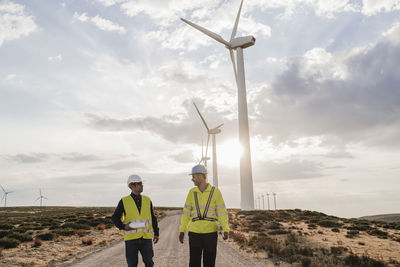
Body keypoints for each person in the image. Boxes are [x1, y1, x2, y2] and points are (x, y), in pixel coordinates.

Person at [179, 164, 229, 267]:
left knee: (209, 263)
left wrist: (225, 229)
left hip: (210, 233)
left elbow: (221, 212)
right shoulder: (191, 192)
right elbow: (186, 213)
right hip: (194, 233)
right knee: (194, 263)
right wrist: (182, 230)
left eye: (193, 176)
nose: (192, 179)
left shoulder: (215, 192)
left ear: (200, 176)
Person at [112, 174, 159, 267]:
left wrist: (156, 233)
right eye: (140, 183)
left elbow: (153, 217)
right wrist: (123, 226)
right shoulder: (124, 201)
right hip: (131, 239)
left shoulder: (147, 199)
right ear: (132, 186)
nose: (142, 185)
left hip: (146, 238)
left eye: (142, 183)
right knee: (132, 264)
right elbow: (115, 217)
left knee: (149, 263)